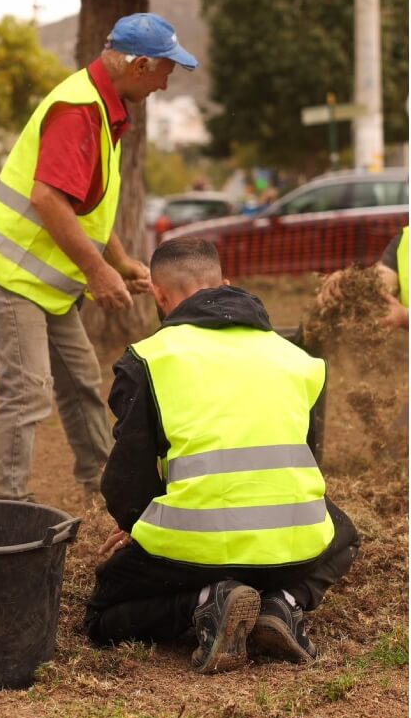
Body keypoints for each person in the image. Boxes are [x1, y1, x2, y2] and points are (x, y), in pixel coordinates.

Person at [86, 237, 360, 674]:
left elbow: (125, 482)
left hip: (190, 554)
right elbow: (303, 461)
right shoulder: (296, 358)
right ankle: (283, 603)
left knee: (101, 617)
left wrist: (140, 524)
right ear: (226, 284)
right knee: (345, 533)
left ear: (159, 295)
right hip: (292, 550)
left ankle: (206, 601)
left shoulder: (150, 359)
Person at [0, 13, 197, 501]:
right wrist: (97, 271)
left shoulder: (104, 110)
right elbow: (48, 198)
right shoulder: (79, 111)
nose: (165, 83)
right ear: (140, 65)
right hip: (8, 275)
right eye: (165, 70)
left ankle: (102, 483)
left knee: (83, 381)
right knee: (28, 389)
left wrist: (119, 261)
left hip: (43, 284)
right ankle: (11, 507)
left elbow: (86, 204)